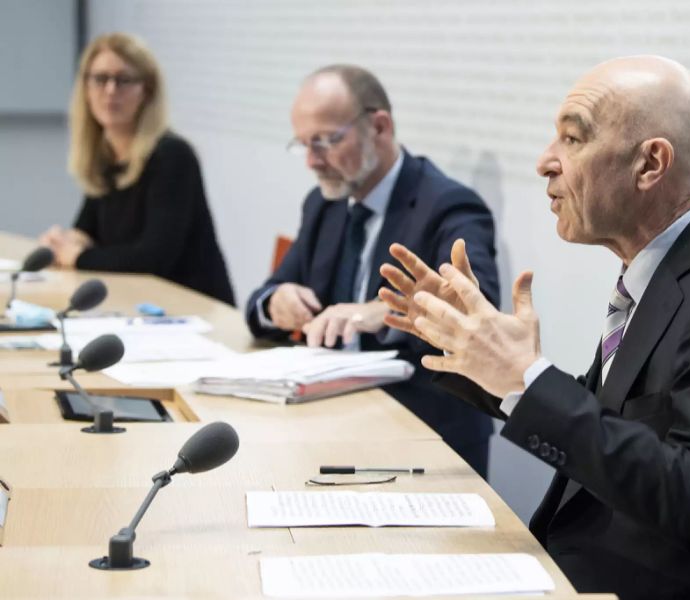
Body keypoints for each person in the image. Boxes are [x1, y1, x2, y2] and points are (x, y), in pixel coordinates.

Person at [379, 56, 690, 599]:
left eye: (573, 139)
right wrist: (477, 353)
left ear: (650, 164)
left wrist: (527, 379)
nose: (545, 162)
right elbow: (613, 426)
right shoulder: (662, 273)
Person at [245, 65, 499, 478]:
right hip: (333, 420)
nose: (312, 160)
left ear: (379, 126)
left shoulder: (450, 204)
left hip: (422, 432)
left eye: (326, 141)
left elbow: (476, 306)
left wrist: (377, 312)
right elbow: (262, 299)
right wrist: (275, 303)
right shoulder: (323, 203)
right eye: (304, 144)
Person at [39, 33, 234, 305]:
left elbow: (153, 258)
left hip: (193, 311)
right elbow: (87, 230)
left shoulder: (172, 156)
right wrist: (63, 241)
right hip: (138, 304)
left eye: (123, 80)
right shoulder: (106, 155)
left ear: (147, 90)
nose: (110, 90)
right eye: (100, 78)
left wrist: (79, 257)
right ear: (85, 88)